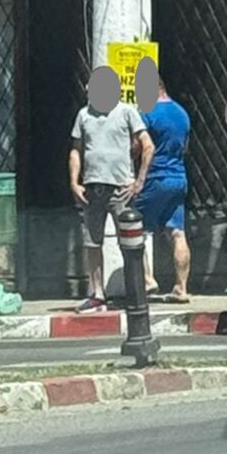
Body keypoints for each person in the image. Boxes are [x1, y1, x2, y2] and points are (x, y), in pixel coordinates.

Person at [69, 67, 154, 313]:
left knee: (130, 240)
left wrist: (139, 181)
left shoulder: (127, 112)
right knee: (92, 242)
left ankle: (138, 289)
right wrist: (74, 181)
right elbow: (76, 149)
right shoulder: (84, 115)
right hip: (93, 188)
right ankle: (97, 294)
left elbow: (148, 146)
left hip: (120, 187)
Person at [137, 75, 192, 302]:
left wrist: (139, 179)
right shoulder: (182, 113)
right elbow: (186, 147)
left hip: (155, 177)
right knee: (177, 233)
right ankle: (181, 288)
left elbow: (139, 147)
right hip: (178, 177)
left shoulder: (147, 113)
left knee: (132, 227)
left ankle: (148, 280)